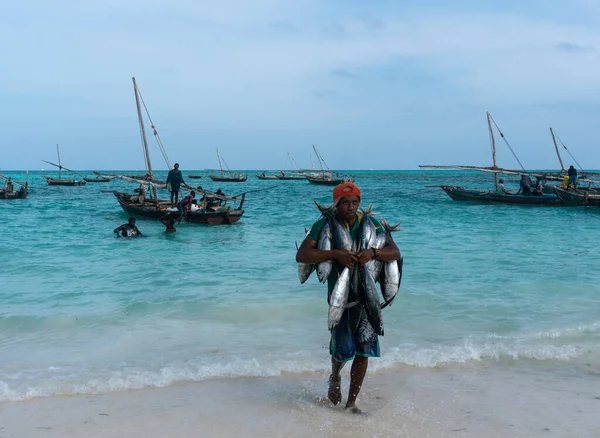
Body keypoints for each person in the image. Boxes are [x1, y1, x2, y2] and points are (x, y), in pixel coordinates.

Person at [295, 182, 400, 414]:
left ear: (359, 203)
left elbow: (394, 252)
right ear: (336, 204)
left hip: (366, 298)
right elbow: (302, 254)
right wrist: (335, 254)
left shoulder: (369, 224)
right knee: (342, 350)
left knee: (364, 351)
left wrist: (373, 253)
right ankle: (335, 375)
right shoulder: (324, 225)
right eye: (345, 203)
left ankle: (352, 402)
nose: (350, 207)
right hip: (340, 299)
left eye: (354, 202)